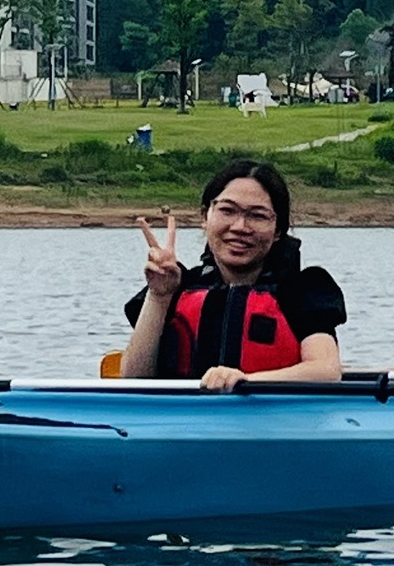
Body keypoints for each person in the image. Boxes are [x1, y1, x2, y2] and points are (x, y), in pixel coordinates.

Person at [121, 158, 347, 391]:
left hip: (272, 412)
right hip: (185, 414)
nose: (240, 227)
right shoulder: (177, 286)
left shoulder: (305, 291)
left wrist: (244, 380)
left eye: (257, 216)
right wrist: (159, 296)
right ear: (205, 217)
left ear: (278, 230)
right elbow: (134, 379)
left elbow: (326, 371)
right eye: (227, 211)